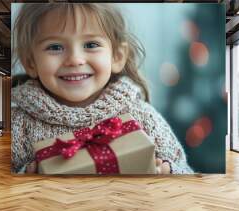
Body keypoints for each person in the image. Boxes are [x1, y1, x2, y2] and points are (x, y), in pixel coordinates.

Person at [11, 3, 194, 174]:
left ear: (117, 56)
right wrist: (25, 176)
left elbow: (185, 174)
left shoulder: (143, 117)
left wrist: (167, 172)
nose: (75, 59)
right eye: (55, 47)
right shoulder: (18, 125)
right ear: (30, 62)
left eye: (91, 45)